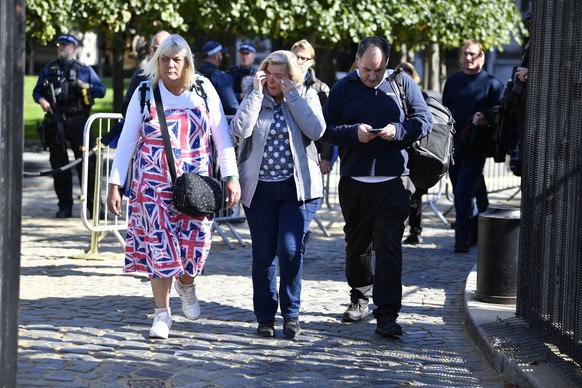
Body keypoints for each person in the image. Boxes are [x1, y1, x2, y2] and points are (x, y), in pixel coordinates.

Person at [106, 34, 241, 339]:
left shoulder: (203, 90)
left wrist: (231, 177)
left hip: (197, 185)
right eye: (164, 59)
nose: (170, 65)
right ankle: (161, 314)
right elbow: (127, 140)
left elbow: (221, 135)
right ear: (157, 61)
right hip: (152, 187)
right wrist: (114, 183)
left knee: (197, 243)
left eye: (176, 59)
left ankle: (188, 282)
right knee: (159, 248)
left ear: (187, 62)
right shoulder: (145, 92)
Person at [321, 36, 432, 337]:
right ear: (357, 60)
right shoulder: (343, 88)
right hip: (355, 183)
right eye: (367, 69)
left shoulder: (402, 83)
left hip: (394, 182)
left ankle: (387, 314)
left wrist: (399, 130)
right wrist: (353, 133)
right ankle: (359, 297)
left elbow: (424, 121)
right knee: (357, 247)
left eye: (379, 70)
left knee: (389, 249)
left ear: (387, 65)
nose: (372, 76)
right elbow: (326, 130)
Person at [230, 50, 325, 339]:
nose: (272, 81)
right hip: (260, 190)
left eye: (279, 76)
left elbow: (317, 130)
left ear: (291, 76)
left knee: (290, 250)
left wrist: (292, 95)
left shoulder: (306, 95)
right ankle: (265, 317)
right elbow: (239, 130)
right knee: (264, 254)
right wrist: (257, 95)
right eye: (269, 75)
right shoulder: (255, 96)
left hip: (298, 189)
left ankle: (292, 314)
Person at [33, 34, 106, 219]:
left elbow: (101, 91)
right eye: (59, 45)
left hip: (78, 122)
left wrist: (86, 85)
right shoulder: (49, 69)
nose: (61, 48)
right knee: (59, 165)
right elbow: (37, 91)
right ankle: (64, 207)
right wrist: (42, 100)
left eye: (65, 45)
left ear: (74, 48)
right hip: (55, 120)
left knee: (87, 165)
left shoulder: (84, 69)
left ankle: (94, 207)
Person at [442, 39, 504, 253]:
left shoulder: (493, 84)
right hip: (453, 147)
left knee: (462, 191)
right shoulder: (452, 82)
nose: (469, 58)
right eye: (466, 54)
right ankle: (479, 231)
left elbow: (501, 113)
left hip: (477, 146)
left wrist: (485, 117)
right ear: (461, 56)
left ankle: (462, 238)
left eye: (473, 54)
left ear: (482, 57)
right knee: (467, 190)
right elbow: (444, 112)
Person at [290, 39, 335, 175]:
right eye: (296, 57)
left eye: (303, 58)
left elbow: (327, 123)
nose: (299, 61)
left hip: (310, 151)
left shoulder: (320, 88)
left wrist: (326, 157)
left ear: (311, 62)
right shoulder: (281, 82)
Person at [397, 62, 427, 245]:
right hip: (399, 151)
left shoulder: (420, 96)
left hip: (416, 152)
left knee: (415, 196)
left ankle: (415, 230)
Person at [121, 31, 171, 116]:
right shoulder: (140, 76)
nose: (161, 53)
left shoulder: (190, 78)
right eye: (157, 49)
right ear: (151, 51)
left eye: (166, 48)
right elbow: (126, 109)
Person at [198, 41, 239, 115]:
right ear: (217, 56)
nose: (222, 57)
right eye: (221, 54)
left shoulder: (194, 74)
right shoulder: (220, 77)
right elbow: (232, 105)